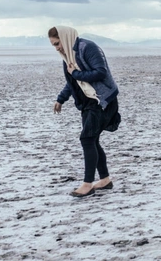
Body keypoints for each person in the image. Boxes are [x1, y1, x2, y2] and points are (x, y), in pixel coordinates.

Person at [49, 26, 121, 197]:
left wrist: (76, 73)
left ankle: (87, 184)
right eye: (53, 45)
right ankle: (104, 180)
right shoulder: (68, 55)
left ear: (65, 38)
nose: (57, 48)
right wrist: (61, 98)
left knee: (87, 138)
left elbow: (100, 72)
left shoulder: (87, 48)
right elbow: (72, 81)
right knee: (92, 140)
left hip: (102, 100)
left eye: (57, 43)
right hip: (88, 102)